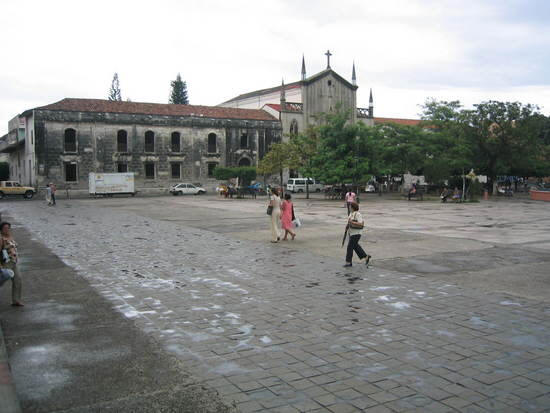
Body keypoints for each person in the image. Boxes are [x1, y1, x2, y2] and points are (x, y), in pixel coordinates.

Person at [0, 222, 23, 306]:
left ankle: (16, 300)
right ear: (1, 229)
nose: (7, 229)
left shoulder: (10, 236)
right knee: (1, 281)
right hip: (6, 263)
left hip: (14, 261)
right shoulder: (1, 238)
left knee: (18, 280)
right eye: (5, 228)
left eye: (8, 228)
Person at [344, 202, 371, 267]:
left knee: (350, 247)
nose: (349, 207)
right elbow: (349, 222)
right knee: (355, 246)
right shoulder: (351, 214)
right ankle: (366, 256)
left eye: (350, 206)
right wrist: (347, 226)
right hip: (351, 233)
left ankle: (348, 262)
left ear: (353, 207)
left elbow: (361, 224)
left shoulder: (358, 214)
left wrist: (352, 222)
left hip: (357, 233)